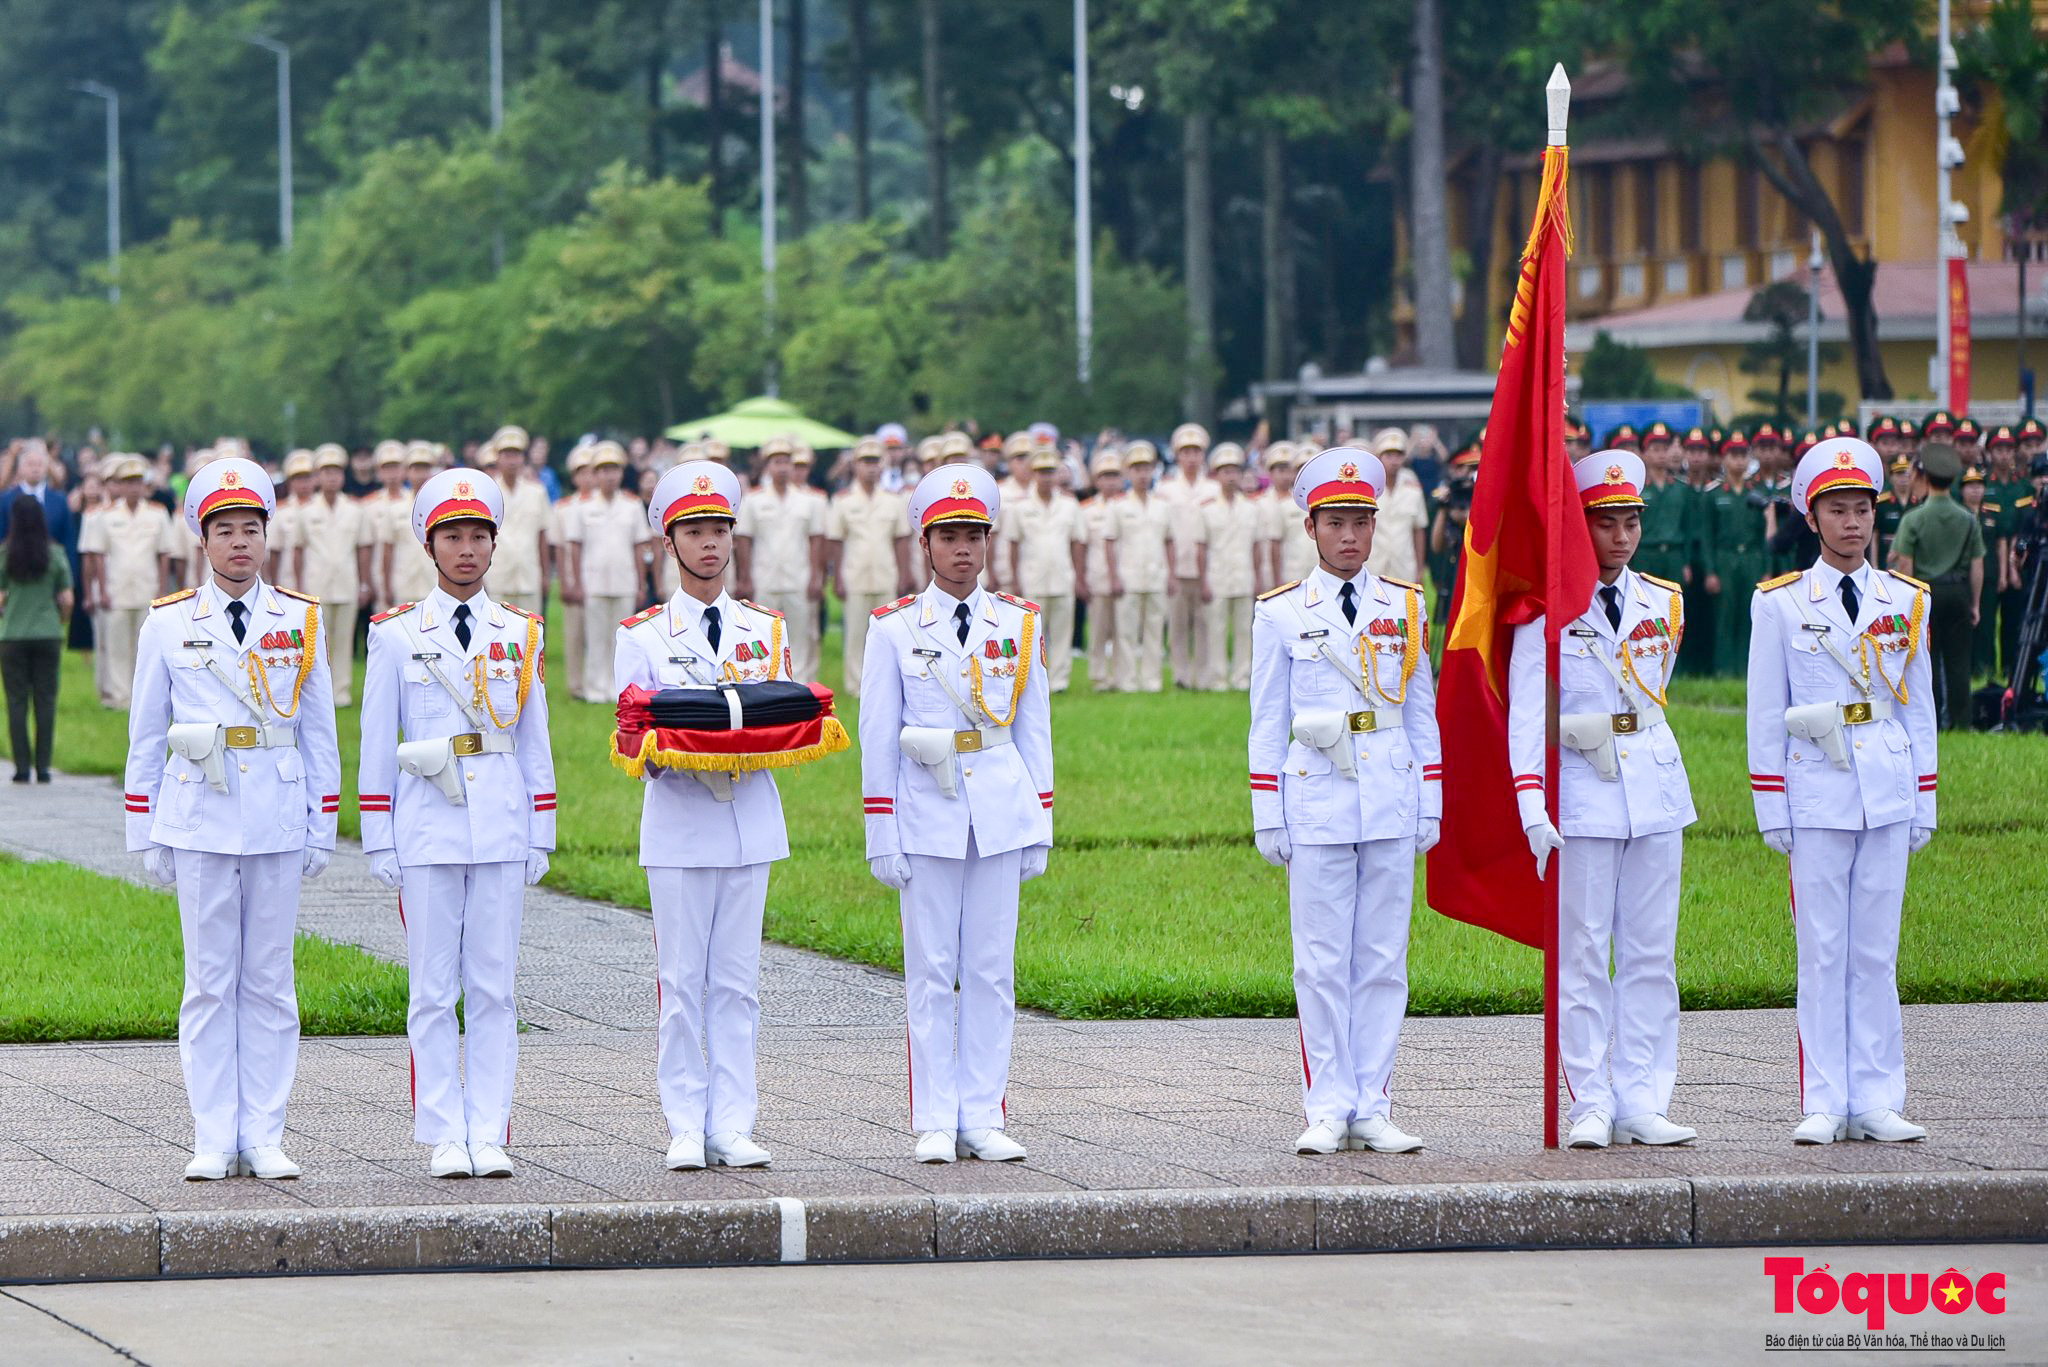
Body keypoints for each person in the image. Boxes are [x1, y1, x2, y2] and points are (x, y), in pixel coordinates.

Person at [123, 457, 341, 1181]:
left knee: (271, 979)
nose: (240, 542)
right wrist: (146, 827)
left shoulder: (301, 619)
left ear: (267, 535)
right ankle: (214, 1132)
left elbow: (319, 734)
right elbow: (147, 733)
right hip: (199, 816)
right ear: (203, 539)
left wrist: (321, 822)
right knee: (210, 980)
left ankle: (266, 1132)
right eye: (226, 530)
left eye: (251, 528)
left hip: (277, 812)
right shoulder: (168, 622)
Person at [358, 468, 554, 1179]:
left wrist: (542, 826)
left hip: (501, 820)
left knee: (497, 986)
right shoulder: (396, 634)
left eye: (478, 536)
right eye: (452, 537)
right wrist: (377, 831)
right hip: (429, 826)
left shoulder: (521, 630)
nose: (466, 549)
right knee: (433, 987)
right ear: (430, 545)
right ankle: (444, 1129)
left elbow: (535, 737)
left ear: (496, 544)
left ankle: (490, 1127)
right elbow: (377, 738)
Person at [1247, 447, 1441, 1157]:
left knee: (1384, 957)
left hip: (1391, 787)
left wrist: (1433, 794)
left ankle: (1374, 1103)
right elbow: (1266, 720)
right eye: (1337, 522)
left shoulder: (1406, 606)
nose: (1351, 536)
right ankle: (1328, 1103)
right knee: (1322, 959)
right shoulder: (1280, 613)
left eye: (1362, 520)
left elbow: (1423, 709)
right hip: (1318, 795)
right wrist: (1268, 808)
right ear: (1311, 526)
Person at [1746, 436, 1936, 1146]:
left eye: (1862, 509)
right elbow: (1765, 710)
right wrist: (1771, 802)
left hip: (1887, 785)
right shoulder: (1784, 604)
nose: (1852, 523)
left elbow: (1919, 706)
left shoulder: (1905, 598)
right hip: (1817, 790)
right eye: (1837, 510)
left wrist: (1925, 795)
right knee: (1823, 949)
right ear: (1812, 517)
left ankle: (1879, 1095)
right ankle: (1826, 1097)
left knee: (1877, 952)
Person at [860, 463, 1052, 1165]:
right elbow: (878, 734)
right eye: (950, 536)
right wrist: (882, 827)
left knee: (993, 969)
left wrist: (1042, 817)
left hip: (1001, 806)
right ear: (926, 544)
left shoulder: (1021, 622)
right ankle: (936, 1115)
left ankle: (985, 1111)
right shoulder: (894, 628)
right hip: (927, 809)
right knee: (932, 970)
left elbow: (1035, 727)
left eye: (974, 534)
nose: (964, 548)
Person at [1512, 451, 1699, 1150]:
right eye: (1605, 523)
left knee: (1651, 954)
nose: (1620, 537)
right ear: (1579, 528)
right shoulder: (1548, 612)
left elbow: (1651, 699)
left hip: (1653, 784)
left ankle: (1643, 1096)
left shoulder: (1665, 601)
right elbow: (1527, 714)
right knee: (1584, 952)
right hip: (1582, 791)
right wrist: (1532, 804)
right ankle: (1591, 1097)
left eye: (1629, 523)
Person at [617, 460, 790, 1171]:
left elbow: (783, 718)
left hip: (749, 816)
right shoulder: (645, 634)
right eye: (694, 530)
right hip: (681, 820)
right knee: (682, 984)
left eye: (719, 528)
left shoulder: (764, 627)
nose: (710, 543)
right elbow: (635, 732)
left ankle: (735, 1121)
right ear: (669, 541)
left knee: (739, 983)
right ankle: (685, 1120)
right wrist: (680, 742)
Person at [1890, 443, 1983, 729]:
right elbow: (1977, 565)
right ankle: (1962, 722)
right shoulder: (1968, 519)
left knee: (1926, 662)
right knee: (1959, 661)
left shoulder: (1913, 519)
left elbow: (1905, 565)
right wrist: (1976, 603)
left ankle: (1931, 723)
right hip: (1958, 592)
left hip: (1925, 593)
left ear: (1925, 477)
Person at [78, 454, 178, 708]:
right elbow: (98, 555)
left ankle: (142, 696)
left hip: (147, 586)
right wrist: (101, 589)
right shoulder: (107, 515)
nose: (133, 488)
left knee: (145, 647)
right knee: (116, 645)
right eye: (127, 482)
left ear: (144, 486)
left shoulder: (157, 514)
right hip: (116, 587)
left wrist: (162, 589)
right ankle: (118, 696)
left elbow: (164, 554)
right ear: (119, 486)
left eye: (137, 482)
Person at [734, 436, 825, 682]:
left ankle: (802, 682)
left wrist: (817, 576)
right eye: (777, 462)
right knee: (763, 633)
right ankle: (767, 680)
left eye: (786, 462)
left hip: (799, 575)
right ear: (768, 466)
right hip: (764, 576)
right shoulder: (753, 500)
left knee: (801, 634)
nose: (783, 467)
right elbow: (744, 540)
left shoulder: (809, 500)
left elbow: (816, 540)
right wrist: (744, 577)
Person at [290, 446, 374, 707]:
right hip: (316, 583)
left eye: (336, 472)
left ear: (342, 476)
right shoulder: (305, 512)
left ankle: (342, 691)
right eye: (326, 472)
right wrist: (299, 586)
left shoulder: (355, 509)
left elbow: (363, 549)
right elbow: (298, 552)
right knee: (316, 643)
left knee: (344, 640)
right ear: (318, 477)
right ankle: (319, 690)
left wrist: (363, 583)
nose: (331, 478)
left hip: (346, 582)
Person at [826, 437, 909, 695]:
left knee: (888, 634)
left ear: (882, 465)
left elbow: (901, 540)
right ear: (855, 466)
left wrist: (905, 573)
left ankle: (885, 684)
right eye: (865, 462)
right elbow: (836, 541)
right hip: (855, 574)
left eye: (875, 462)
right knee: (855, 635)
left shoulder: (894, 500)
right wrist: (837, 577)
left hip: (886, 574)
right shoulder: (843, 500)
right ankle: (856, 686)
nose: (871, 467)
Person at [1003, 442, 1086, 693]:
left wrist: (1079, 577)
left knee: (1062, 634)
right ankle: (1031, 681)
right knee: (1030, 635)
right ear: (1033, 474)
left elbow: (1077, 543)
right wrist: (1015, 578)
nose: (1046, 477)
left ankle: (1059, 682)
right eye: (1041, 472)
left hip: (1062, 577)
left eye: (1051, 471)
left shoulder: (1070, 505)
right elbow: (1013, 544)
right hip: (1032, 578)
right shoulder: (1020, 507)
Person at [1, 495, 72, 783]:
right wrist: (60, 620)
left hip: (13, 636)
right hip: (47, 634)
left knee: (17, 702)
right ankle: (43, 767)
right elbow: (67, 598)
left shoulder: (5, 554)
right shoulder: (54, 553)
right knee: (45, 701)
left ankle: (21, 767)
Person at [572, 442, 650, 703]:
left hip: (624, 579)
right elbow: (575, 547)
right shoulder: (583, 507)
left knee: (622, 641)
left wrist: (641, 584)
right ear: (595, 474)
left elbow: (640, 547)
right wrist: (576, 582)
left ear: (621, 472)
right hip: (592, 579)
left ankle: (620, 689)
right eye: (603, 470)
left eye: (614, 469)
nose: (609, 475)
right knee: (596, 639)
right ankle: (595, 689)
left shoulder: (632, 505)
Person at [1699, 433, 1769, 676]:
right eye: (1733, 455)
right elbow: (1706, 536)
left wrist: (1767, 568)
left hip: (1751, 558)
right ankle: (1723, 670)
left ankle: (1746, 671)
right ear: (1724, 459)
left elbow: (1765, 535)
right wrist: (1710, 571)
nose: (1739, 461)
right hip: (1725, 559)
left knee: (1750, 617)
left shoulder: (1757, 492)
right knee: (1725, 617)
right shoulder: (1714, 493)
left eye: (1743, 455)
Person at [1108, 440, 1170, 692]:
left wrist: (1172, 574)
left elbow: (1169, 542)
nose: (1143, 474)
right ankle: (1127, 681)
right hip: (1128, 576)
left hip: (1156, 574)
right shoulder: (1119, 506)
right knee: (1126, 633)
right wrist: (1113, 576)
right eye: (1137, 469)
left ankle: (1152, 680)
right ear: (1128, 472)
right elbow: (1110, 543)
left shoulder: (1163, 506)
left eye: (1147, 468)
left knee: (1154, 631)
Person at [1199, 444, 1260, 690]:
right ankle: (1218, 678)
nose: (1231, 476)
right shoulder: (1207, 509)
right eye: (1225, 471)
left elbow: (1256, 546)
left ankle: (1242, 676)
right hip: (1217, 576)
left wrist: (1257, 577)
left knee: (1244, 630)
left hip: (1244, 574)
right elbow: (1201, 547)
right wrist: (1203, 580)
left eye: (1234, 471)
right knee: (1217, 630)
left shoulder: (1251, 508)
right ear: (1216, 475)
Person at [1159, 424, 1215, 688]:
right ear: (1177, 455)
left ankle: (1203, 676)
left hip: (1208, 567)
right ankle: (1180, 674)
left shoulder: (1214, 489)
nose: (1191, 457)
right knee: (1178, 625)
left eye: (1196, 451)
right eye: (1186, 452)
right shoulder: (1165, 489)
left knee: (1204, 625)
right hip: (1177, 566)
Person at [483, 426, 553, 616]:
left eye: (517, 455)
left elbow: (542, 536)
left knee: (530, 635)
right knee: (497, 637)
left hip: (529, 575)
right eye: (507, 455)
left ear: (524, 458)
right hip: (497, 576)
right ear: (497, 458)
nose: (512, 461)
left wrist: (546, 574)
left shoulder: (537, 491)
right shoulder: (487, 492)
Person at [550, 445, 595, 701]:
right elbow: (559, 547)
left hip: (599, 576)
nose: (587, 478)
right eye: (581, 472)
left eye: (591, 472)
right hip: (573, 575)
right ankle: (576, 685)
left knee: (600, 636)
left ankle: (598, 682)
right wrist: (566, 582)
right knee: (575, 634)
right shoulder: (564, 507)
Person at [1079, 448, 1124, 690]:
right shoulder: (1087, 510)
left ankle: (1120, 675)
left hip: (1126, 576)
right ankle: (1098, 676)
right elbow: (1082, 547)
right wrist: (1082, 579)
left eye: (1115, 476)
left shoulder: (1129, 506)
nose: (1110, 481)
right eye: (1105, 476)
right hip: (1097, 575)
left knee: (1122, 631)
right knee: (1098, 630)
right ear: (1097, 480)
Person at [1364, 428, 1428, 588]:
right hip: (1373, 564)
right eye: (1389, 455)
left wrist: (1420, 569)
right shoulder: (1368, 491)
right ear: (1379, 458)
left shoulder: (1413, 491)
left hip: (1404, 565)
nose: (1394, 461)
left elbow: (1418, 531)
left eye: (1398, 455)